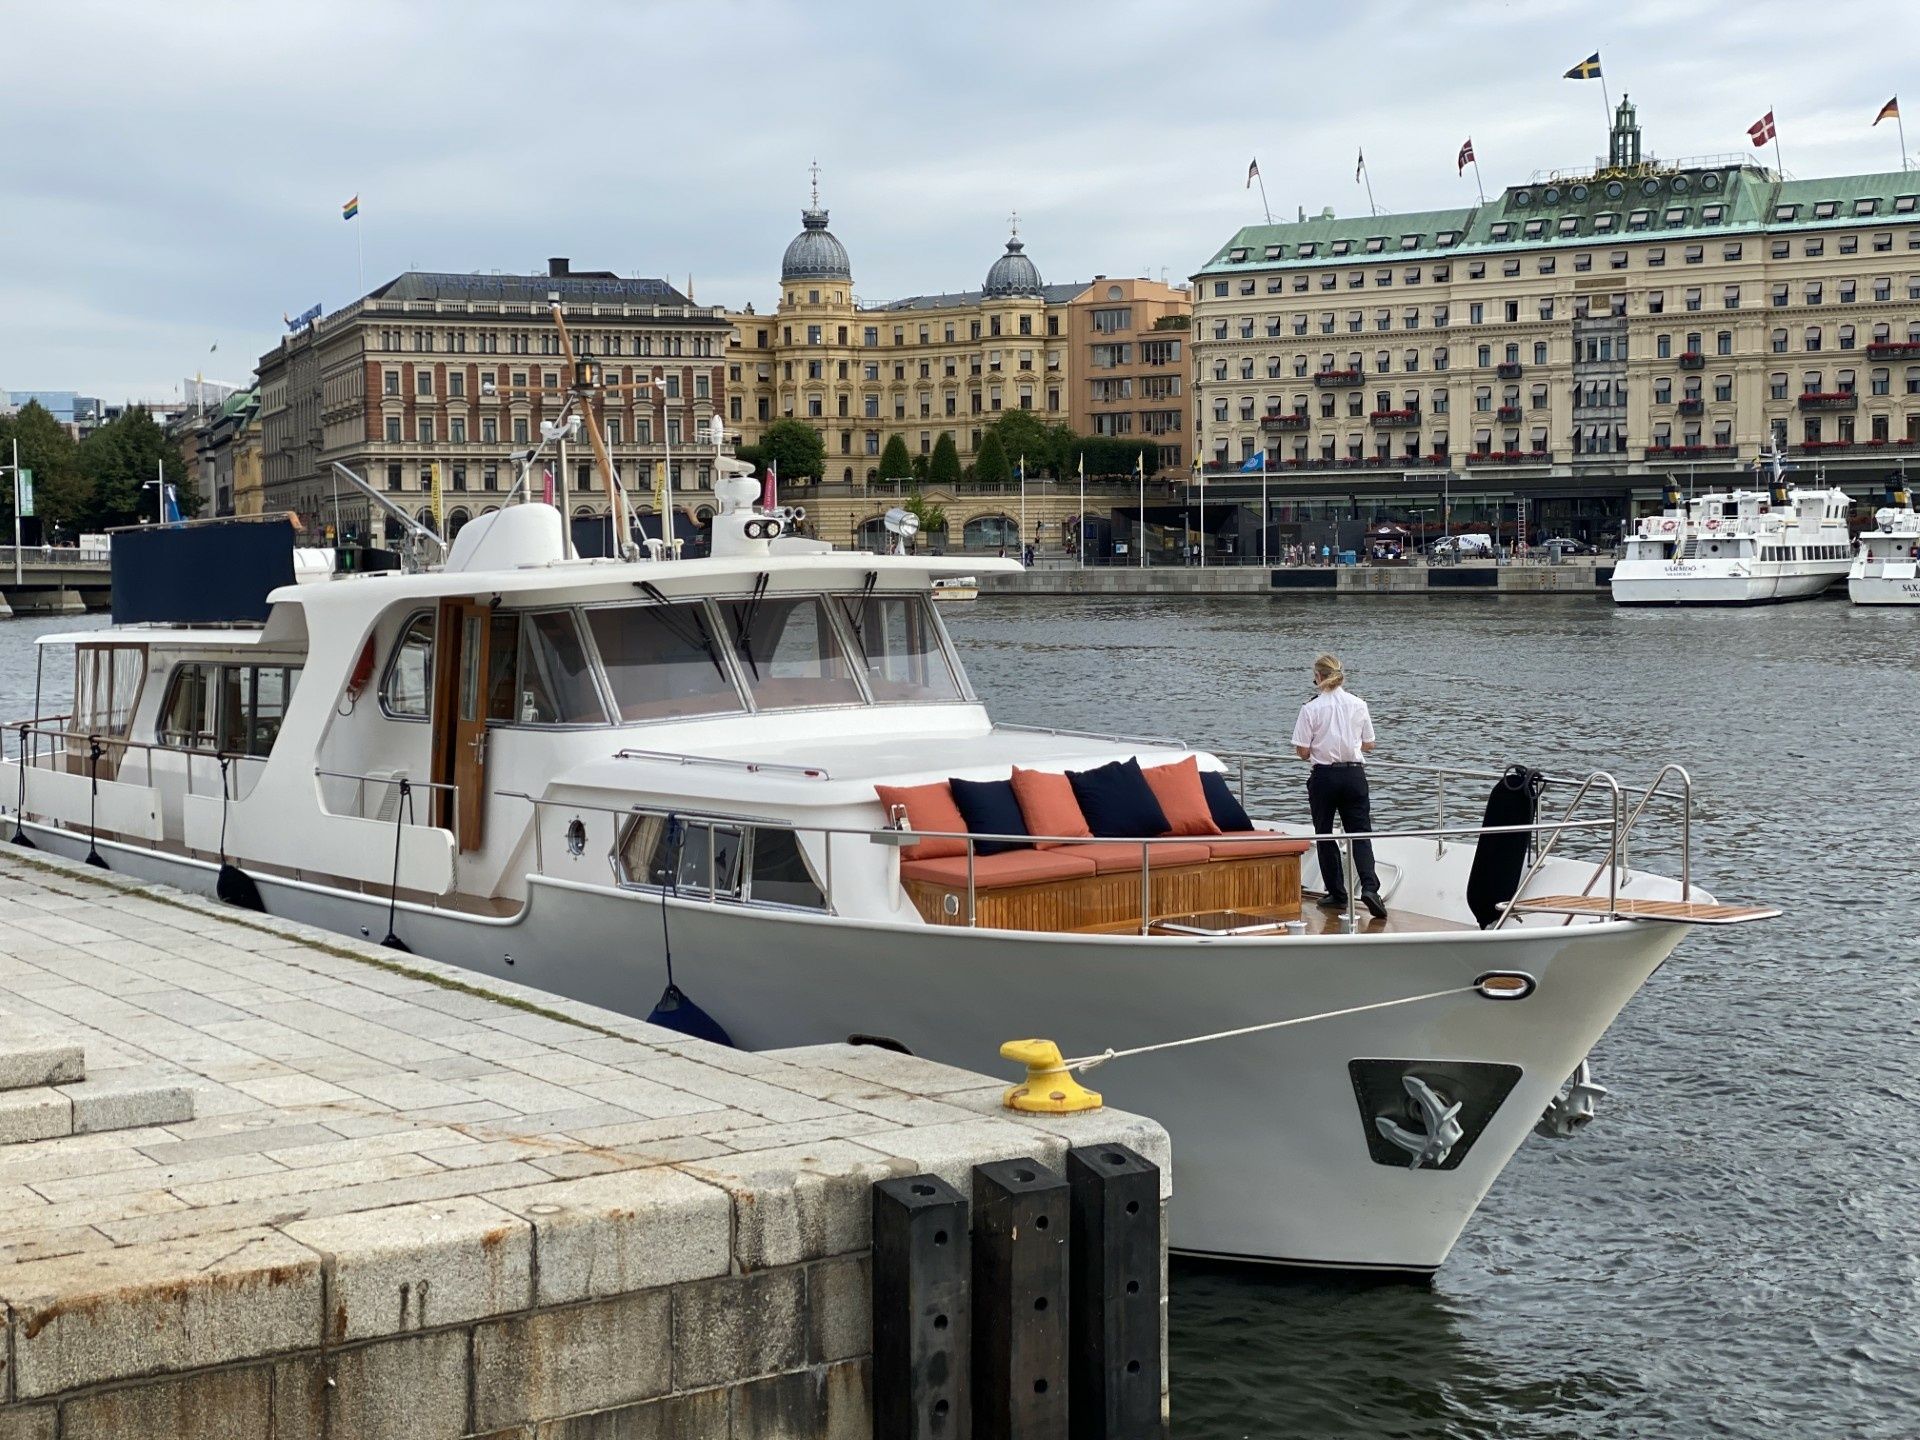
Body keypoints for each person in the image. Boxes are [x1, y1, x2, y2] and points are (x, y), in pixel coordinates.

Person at [1292, 653, 1386, 918]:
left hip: (1325, 777)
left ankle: (1337, 893)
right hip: (1354, 775)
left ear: (1318, 677)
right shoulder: (1358, 704)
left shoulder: (1311, 708)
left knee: (1324, 833)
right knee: (1359, 833)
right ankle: (1370, 887)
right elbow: (1370, 744)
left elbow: (1301, 750)